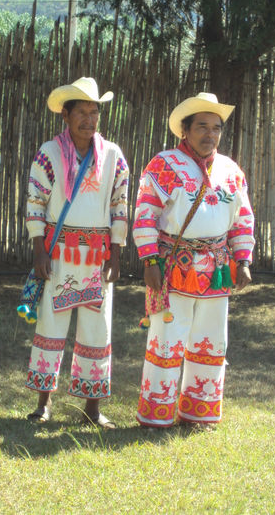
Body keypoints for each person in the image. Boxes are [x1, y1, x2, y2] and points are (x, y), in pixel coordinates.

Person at [132, 92, 255, 428]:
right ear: (184, 130)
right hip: (174, 268)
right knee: (168, 340)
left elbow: (243, 217)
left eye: (216, 128)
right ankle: (156, 414)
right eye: (202, 126)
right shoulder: (164, 165)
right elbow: (145, 215)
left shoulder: (230, 170)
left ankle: (198, 412)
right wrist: (150, 261)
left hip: (217, 270)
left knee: (211, 339)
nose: (210, 134)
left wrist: (242, 259)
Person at [24, 77, 129, 428]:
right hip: (59, 255)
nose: (89, 119)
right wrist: (40, 250)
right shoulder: (49, 153)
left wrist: (116, 252)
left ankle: (92, 408)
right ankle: (44, 404)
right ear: (66, 116)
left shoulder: (112, 155)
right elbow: (35, 203)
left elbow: (119, 205)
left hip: (97, 259)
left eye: (94, 112)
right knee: (51, 323)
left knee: (97, 329)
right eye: (81, 112)